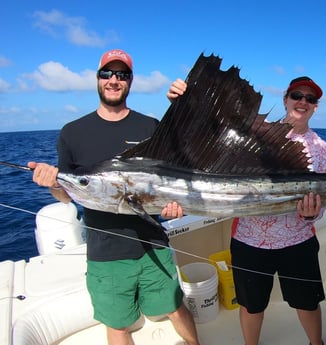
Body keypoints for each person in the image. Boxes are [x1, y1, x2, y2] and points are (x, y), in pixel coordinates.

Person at [28, 49, 200, 345]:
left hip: (153, 245)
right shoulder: (72, 132)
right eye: (107, 73)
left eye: (122, 75)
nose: (114, 80)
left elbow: (177, 174)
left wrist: (182, 106)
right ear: (97, 78)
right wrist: (52, 183)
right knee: (117, 325)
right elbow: (68, 195)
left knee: (174, 307)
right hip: (105, 253)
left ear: (130, 81)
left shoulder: (149, 126)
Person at [168, 75, 326, 345]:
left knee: (308, 304)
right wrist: (183, 104)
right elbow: (207, 132)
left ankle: (317, 343)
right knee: (251, 306)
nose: (302, 102)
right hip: (249, 241)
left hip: (298, 241)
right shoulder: (255, 135)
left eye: (310, 99)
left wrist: (313, 213)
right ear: (285, 100)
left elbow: (325, 200)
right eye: (297, 96)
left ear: (315, 107)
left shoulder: (323, 149)